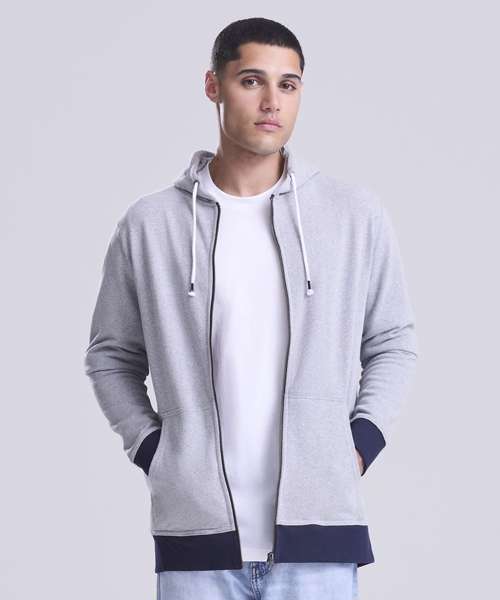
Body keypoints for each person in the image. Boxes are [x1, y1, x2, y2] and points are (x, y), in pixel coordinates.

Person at [84, 16, 418, 600]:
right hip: (197, 543)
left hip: (319, 536)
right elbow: (110, 356)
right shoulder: (151, 225)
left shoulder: (352, 216)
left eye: (288, 85)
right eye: (251, 81)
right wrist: (154, 450)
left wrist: (360, 442)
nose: (271, 102)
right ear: (213, 86)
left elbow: (392, 340)